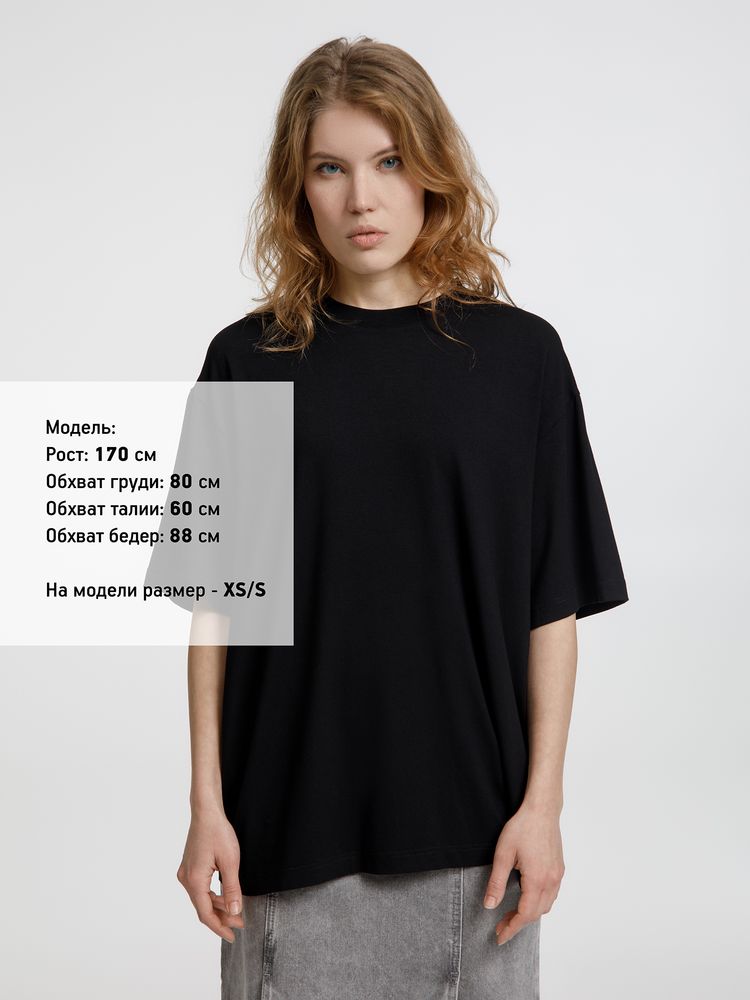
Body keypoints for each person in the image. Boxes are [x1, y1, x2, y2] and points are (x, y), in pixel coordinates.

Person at [174, 36, 629, 999]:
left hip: (479, 840)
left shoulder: (521, 360)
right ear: (298, 190)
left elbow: (552, 604)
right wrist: (206, 804)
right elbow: (215, 607)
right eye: (329, 169)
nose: (362, 199)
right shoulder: (245, 362)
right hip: (284, 829)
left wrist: (544, 806)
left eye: (388, 162)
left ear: (432, 172)